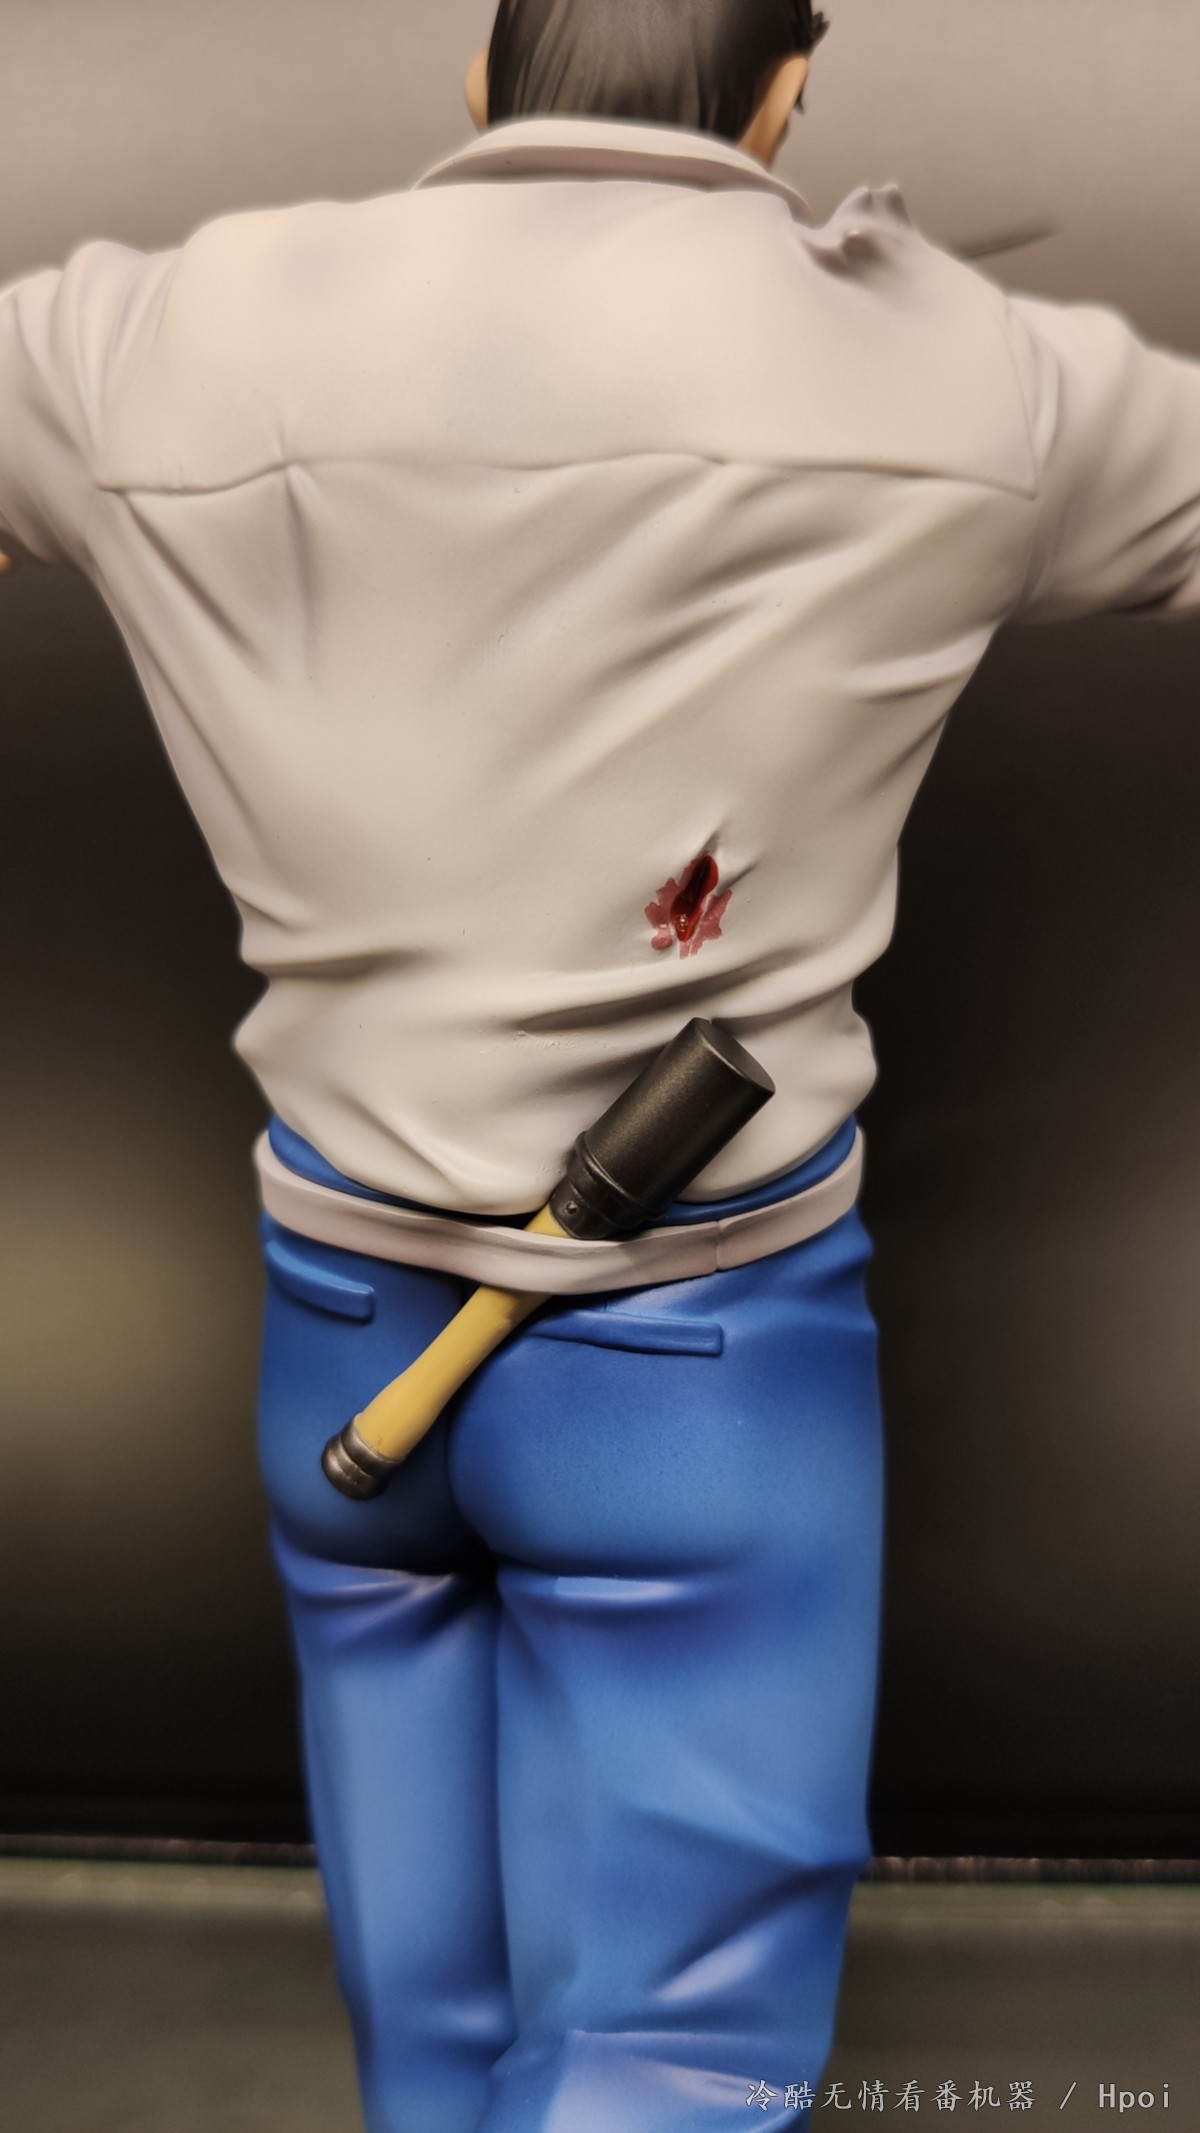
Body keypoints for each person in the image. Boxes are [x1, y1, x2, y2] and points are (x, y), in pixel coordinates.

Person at [3, 1, 1200, 2127]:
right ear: (785, 90)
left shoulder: (156, 325)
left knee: (430, 2006)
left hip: (342, 1331)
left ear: (489, 84)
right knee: (676, 2043)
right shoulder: (969, 372)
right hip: (696, 1353)